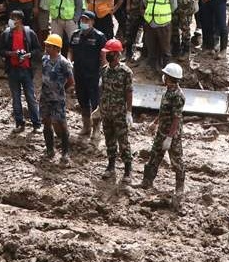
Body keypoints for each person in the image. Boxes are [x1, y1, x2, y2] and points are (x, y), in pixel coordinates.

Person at [139, 62, 186, 209]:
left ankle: (179, 188)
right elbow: (163, 111)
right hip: (162, 131)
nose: (163, 77)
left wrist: (170, 137)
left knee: (176, 161)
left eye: (165, 75)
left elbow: (176, 118)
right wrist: (155, 122)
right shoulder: (168, 91)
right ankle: (147, 182)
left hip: (172, 134)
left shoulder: (178, 96)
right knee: (154, 157)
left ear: (170, 78)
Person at [97, 39, 133, 181]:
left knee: (123, 142)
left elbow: (129, 92)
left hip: (119, 113)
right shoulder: (104, 71)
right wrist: (99, 108)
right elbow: (102, 90)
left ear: (117, 54)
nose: (107, 56)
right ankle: (111, 167)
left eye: (109, 53)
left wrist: (129, 112)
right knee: (109, 140)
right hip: (107, 112)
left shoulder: (126, 72)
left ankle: (127, 171)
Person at [0, 10, 41, 131]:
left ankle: (36, 124)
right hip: (12, 70)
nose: (12, 21)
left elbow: (37, 50)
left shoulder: (29, 33)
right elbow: (1, 50)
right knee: (16, 98)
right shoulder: (6, 34)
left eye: (14, 18)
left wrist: (28, 55)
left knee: (30, 97)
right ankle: (19, 123)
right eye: (11, 18)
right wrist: (11, 54)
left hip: (26, 70)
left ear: (20, 20)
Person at [68, 11, 105, 137]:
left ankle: (96, 129)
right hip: (79, 73)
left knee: (95, 102)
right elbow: (70, 50)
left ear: (92, 22)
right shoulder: (75, 35)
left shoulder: (99, 36)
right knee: (82, 101)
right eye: (82, 20)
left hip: (93, 75)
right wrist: (69, 60)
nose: (83, 22)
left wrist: (104, 73)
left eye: (86, 20)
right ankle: (86, 126)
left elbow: (103, 56)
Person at [40, 33, 76, 163]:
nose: (46, 48)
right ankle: (50, 149)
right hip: (45, 97)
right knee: (46, 122)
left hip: (58, 99)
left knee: (61, 124)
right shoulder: (44, 59)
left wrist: (61, 90)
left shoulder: (64, 63)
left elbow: (71, 81)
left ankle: (65, 152)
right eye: (46, 45)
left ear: (56, 48)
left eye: (49, 46)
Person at [142, 0, 177, 72]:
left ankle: (166, 72)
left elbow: (173, 6)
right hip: (150, 23)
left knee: (165, 49)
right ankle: (153, 70)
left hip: (163, 24)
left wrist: (161, 14)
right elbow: (145, 3)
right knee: (151, 48)